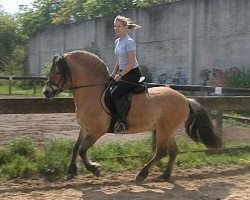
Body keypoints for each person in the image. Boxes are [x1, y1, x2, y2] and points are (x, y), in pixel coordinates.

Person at [110, 15, 142, 133]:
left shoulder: (129, 42)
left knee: (115, 94)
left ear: (125, 27)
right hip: (123, 72)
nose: (116, 28)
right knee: (108, 90)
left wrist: (120, 75)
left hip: (132, 73)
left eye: (118, 26)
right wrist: (113, 73)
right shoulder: (117, 41)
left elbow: (131, 63)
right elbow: (119, 60)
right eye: (115, 26)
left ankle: (123, 122)